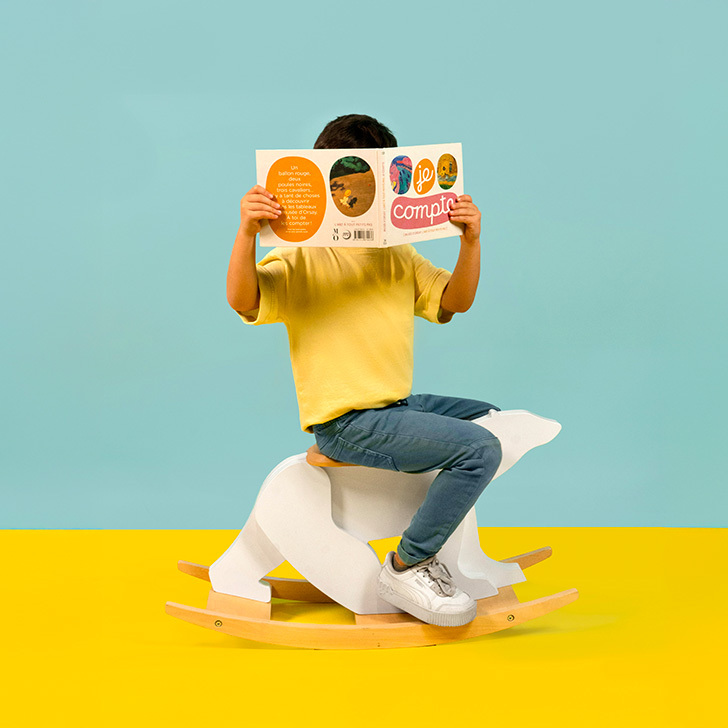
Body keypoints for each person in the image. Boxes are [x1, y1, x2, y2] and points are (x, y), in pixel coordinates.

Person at [226, 114, 502, 627]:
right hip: (346, 424)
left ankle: (450, 546)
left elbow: (455, 301)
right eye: (341, 187)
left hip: (394, 407)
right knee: (480, 449)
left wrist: (471, 242)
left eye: (365, 187)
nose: (353, 198)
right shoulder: (301, 258)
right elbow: (243, 299)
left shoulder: (398, 254)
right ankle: (409, 563)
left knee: (491, 418)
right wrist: (245, 233)